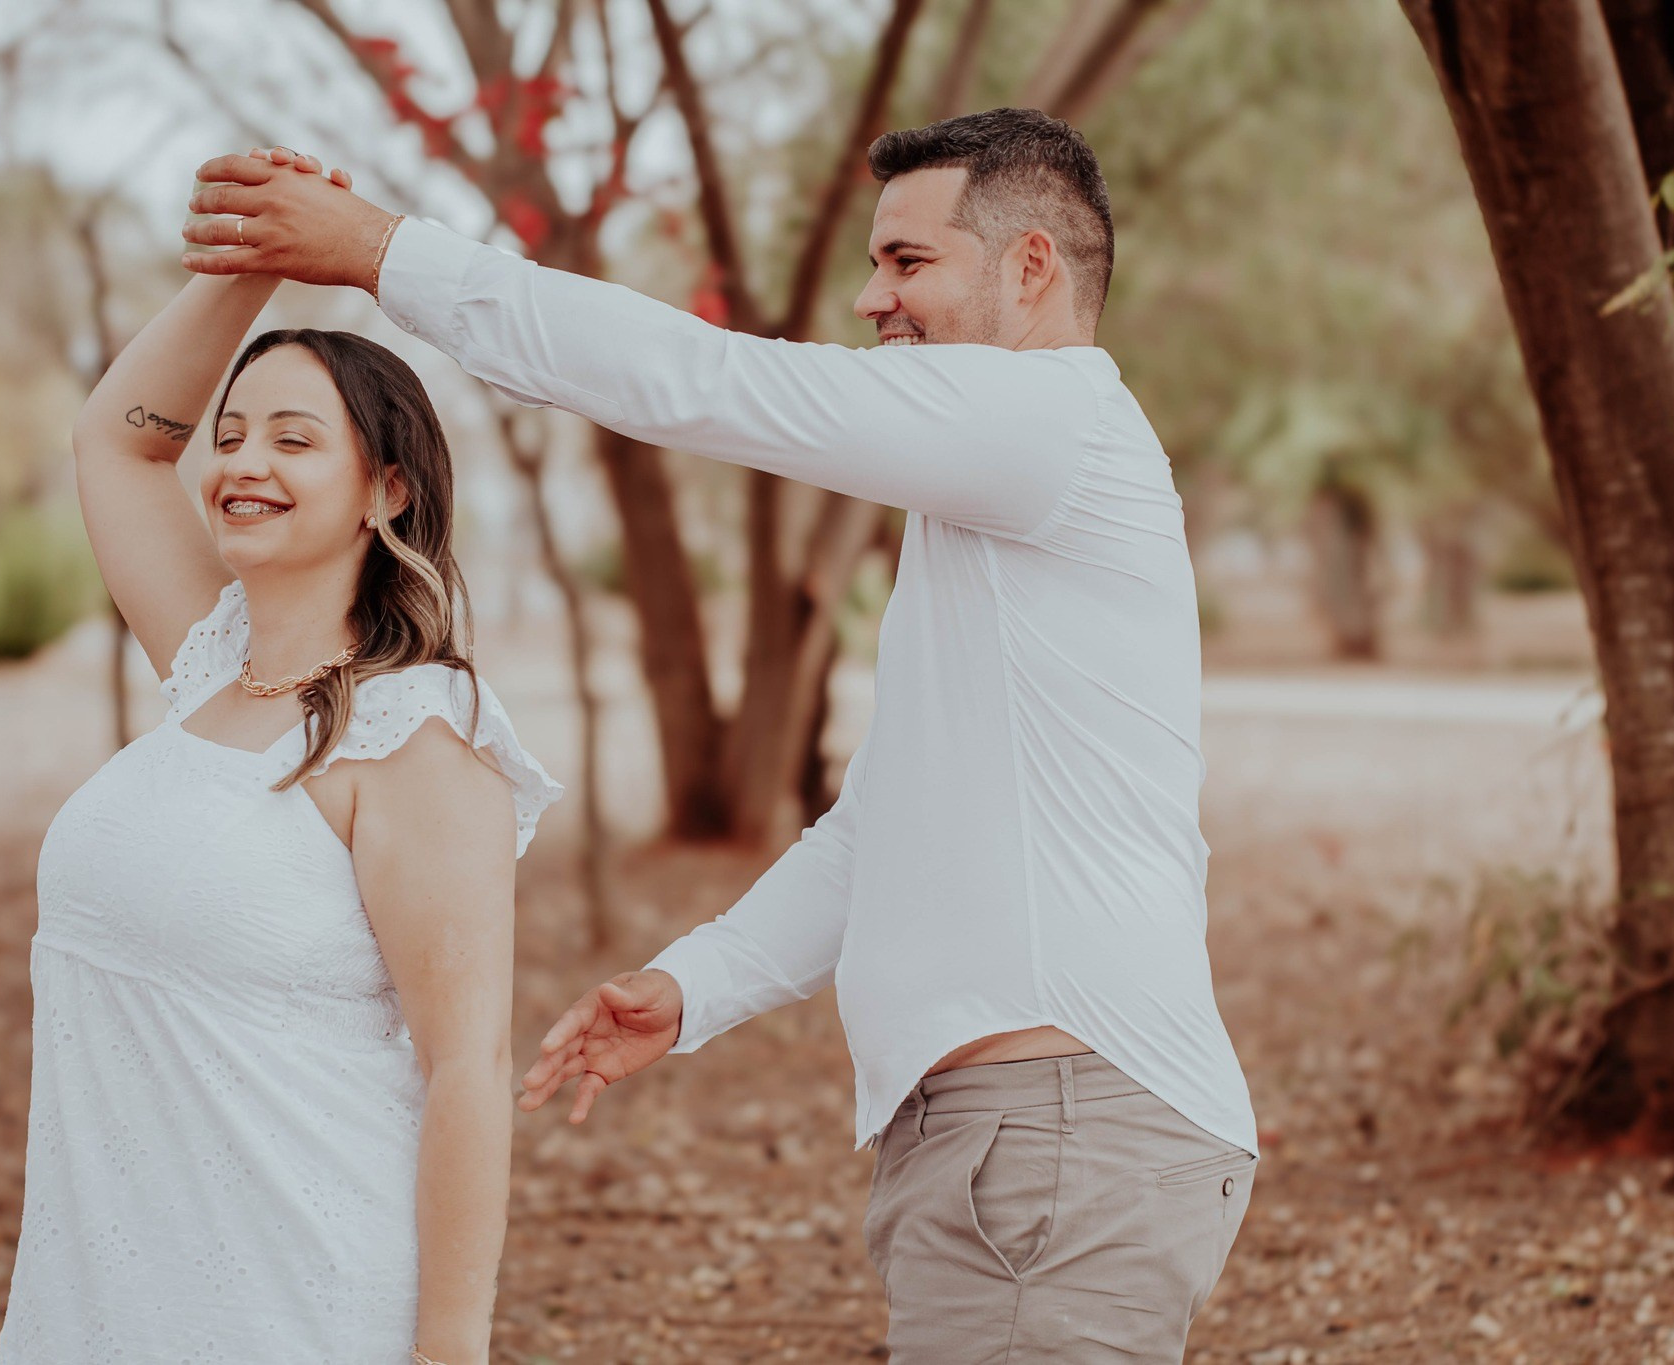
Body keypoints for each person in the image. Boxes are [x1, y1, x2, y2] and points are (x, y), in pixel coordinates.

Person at [184, 106, 1256, 1363]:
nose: (869, 297)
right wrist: (695, 987)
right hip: (1016, 1137)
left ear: (1030, 268)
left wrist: (381, 252)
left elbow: (701, 381)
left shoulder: (1052, 423)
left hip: (1060, 1132)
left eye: (907, 261)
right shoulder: (994, 498)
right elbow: (879, 830)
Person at [0, 261, 561, 1365]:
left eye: (294, 441)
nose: (245, 463)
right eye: (233, 435)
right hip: (97, 1299)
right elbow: (115, 438)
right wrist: (248, 263)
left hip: (296, 1303)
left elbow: (466, 1068)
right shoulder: (211, 664)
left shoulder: (415, 738)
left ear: (387, 490)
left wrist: (449, 1351)